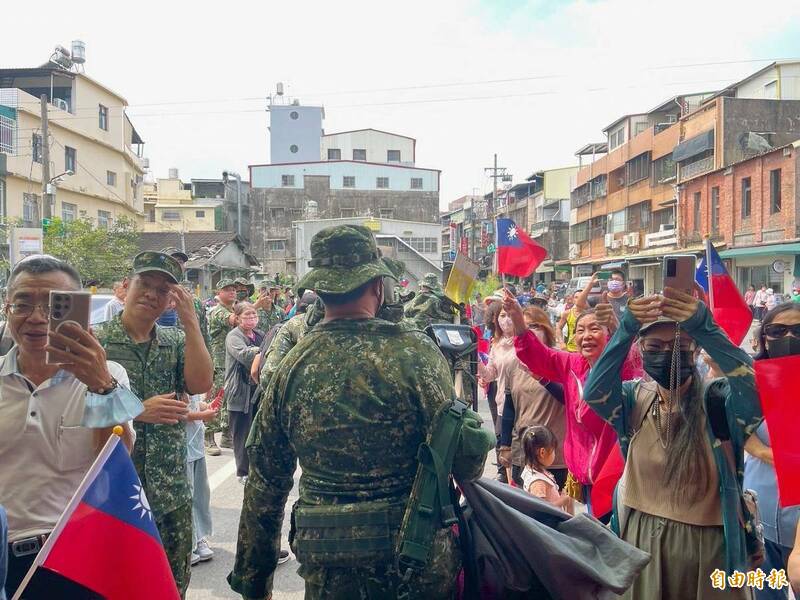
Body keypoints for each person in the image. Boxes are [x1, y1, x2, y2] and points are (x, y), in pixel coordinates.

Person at [229, 224, 493, 600]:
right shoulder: (417, 355)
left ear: (320, 291)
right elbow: (465, 465)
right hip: (415, 564)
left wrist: (255, 583)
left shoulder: (291, 367)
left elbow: (265, 486)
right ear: (377, 286)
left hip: (329, 568)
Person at [582, 287, 762, 600]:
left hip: (708, 550)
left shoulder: (719, 401)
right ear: (641, 350)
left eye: (678, 345)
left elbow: (754, 387)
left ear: (693, 350)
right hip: (640, 540)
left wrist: (703, 327)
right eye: (655, 346)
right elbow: (594, 391)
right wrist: (625, 329)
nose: (667, 353)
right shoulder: (633, 400)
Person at [0, 255, 141, 598]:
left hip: (76, 557)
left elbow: (116, 468)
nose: (36, 318)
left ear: (78, 310)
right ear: (7, 309)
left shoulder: (111, 378)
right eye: (23, 304)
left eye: (54, 306)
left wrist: (99, 385)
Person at [95, 252, 214, 598]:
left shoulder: (175, 342)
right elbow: (74, 410)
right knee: (116, 586)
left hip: (170, 491)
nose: (152, 294)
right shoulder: (97, 341)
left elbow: (200, 383)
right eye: (144, 285)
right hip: (113, 492)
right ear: (124, 288)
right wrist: (135, 410)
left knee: (171, 587)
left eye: (163, 291)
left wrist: (191, 323)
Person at [502, 291, 641, 516]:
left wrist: (618, 330)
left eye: (594, 328)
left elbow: (628, 358)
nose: (586, 335)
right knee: (597, 527)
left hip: (617, 469)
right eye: (580, 330)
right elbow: (538, 356)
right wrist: (518, 320)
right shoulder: (571, 363)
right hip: (584, 471)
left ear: (608, 334)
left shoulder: (622, 366)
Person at [743, 302, 800, 600]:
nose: (788, 337)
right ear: (764, 337)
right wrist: (768, 454)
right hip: (760, 517)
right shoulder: (751, 382)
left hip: (797, 522)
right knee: (766, 594)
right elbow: (738, 430)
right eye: (778, 331)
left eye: (797, 330)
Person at [498, 307, 567, 489]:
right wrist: (504, 446)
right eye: (524, 326)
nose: (529, 331)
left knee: (555, 512)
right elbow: (509, 408)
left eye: (534, 326)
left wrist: (543, 378)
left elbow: (568, 397)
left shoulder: (560, 359)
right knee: (521, 513)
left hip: (555, 455)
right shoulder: (513, 364)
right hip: (523, 452)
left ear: (546, 329)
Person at [224, 302, 264, 484]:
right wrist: (262, 351)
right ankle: (243, 471)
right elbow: (245, 356)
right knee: (241, 432)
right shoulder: (233, 337)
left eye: (253, 315)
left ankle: (257, 468)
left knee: (259, 432)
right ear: (238, 318)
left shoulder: (260, 335)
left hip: (258, 390)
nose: (251, 319)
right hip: (239, 390)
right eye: (247, 316)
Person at [185, 394, 217, 566]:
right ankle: (188, 544)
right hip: (182, 445)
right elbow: (178, 411)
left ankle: (199, 538)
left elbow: (195, 403)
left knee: (200, 494)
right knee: (187, 495)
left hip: (195, 444)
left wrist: (205, 407)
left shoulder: (194, 378)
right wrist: (202, 416)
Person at [206, 278, 237, 455]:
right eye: (227, 289)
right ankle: (208, 437)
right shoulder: (218, 311)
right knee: (216, 400)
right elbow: (236, 321)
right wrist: (254, 307)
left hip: (232, 362)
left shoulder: (233, 308)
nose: (232, 292)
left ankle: (227, 435)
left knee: (230, 400)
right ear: (219, 293)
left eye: (233, 289)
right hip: (219, 363)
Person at [521, 425, 574, 515]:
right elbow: (541, 510)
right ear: (542, 452)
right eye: (553, 450)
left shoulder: (532, 470)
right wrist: (562, 501)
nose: (555, 454)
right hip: (549, 526)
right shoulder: (538, 482)